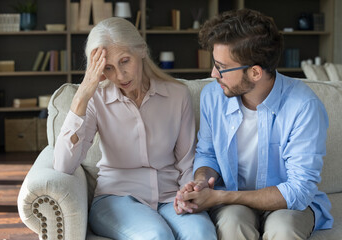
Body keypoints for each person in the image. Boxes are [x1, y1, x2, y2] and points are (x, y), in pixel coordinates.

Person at [174, 9, 333, 240]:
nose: (213, 73)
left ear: (255, 72)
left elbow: (298, 191)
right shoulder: (212, 96)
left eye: (222, 67)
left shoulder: (304, 106)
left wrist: (222, 197)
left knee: (284, 229)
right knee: (232, 225)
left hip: (287, 205)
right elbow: (208, 154)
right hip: (233, 202)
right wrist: (201, 183)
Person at [53, 17, 217, 240]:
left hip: (170, 196)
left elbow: (187, 160)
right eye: (108, 68)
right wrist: (81, 96)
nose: (119, 76)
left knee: (202, 234)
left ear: (141, 50)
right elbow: (64, 165)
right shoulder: (94, 100)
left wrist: (188, 190)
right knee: (156, 236)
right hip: (116, 198)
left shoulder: (177, 95)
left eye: (125, 61)